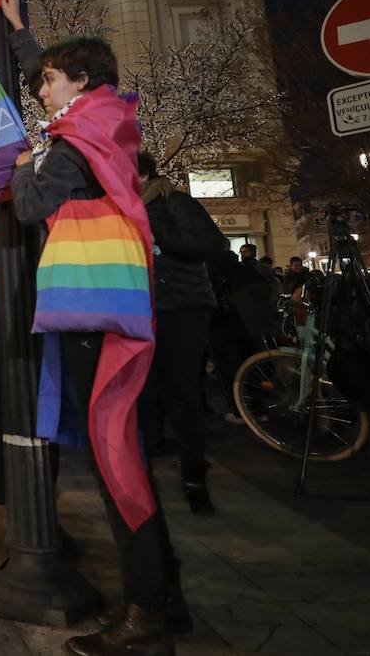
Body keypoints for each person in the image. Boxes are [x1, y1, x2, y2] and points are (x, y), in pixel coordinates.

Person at [1, 0, 181, 656]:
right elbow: (41, 78)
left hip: (92, 307)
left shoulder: (76, 138)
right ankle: (167, 597)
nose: (41, 91)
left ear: (81, 82)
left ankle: (147, 613)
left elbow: (33, 204)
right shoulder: (105, 120)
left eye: (50, 80)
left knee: (115, 461)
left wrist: (22, 171)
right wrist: (24, 38)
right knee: (123, 453)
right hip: (114, 303)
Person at [136, 152, 228, 516]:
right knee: (144, 391)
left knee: (181, 391)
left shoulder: (174, 200)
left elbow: (211, 245)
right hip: (140, 309)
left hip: (181, 308)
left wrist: (155, 234)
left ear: (140, 171)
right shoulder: (121, 205)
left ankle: (194, 475)